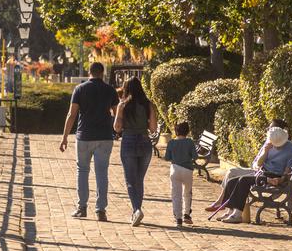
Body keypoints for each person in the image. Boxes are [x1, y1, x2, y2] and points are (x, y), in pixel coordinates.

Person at [60, 62, 118, 221]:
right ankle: (101, 210)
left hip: (84, 135)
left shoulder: (80, 89)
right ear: (102, 73)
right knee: (102, 172)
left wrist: (65, 137)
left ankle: (82, 207)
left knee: (83, 170)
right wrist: (117, 131)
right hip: (104, 136)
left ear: (89, 72)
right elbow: (116, 114)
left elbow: (72, 114)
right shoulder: (110, 90)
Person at [216, 125, 292, 223]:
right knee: (232, 181)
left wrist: (281, 179)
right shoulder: (269, 144)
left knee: (243, 180)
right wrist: (265, 151)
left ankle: (237, 214)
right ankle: (231, 212)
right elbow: (257, 164)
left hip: (275, 175)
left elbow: (287, 171)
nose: (277, 146)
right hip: (262, 172)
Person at [205, 118, 290, 212]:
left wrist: (279, 177)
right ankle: (224, 205)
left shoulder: (284, 147)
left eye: (271, 128)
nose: (268, 130)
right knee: (231, 172)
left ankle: (223, 204)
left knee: (234, 176)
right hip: (257, 170)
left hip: (263, 174)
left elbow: (279, 169)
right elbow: (258, 162)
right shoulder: (269, 142)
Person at [113, 77, 158, 226]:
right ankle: (136, 211)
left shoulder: (123, 105)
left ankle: (136, 210)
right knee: (139, 180)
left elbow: (117, 128)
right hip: (145, 142)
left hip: (129, 141)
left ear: (126, 89)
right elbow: (153, 128)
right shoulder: (148, 104)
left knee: (131, 181)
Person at [165, 121, 197, 227]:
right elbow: (195, 156)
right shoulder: (190, 142)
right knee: (187, 193)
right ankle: (186, 214)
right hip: (187, 170)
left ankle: (178, 218)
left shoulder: (171, 142)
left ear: (176, 131)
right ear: (187, 131)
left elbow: (167, 158)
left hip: (175, 169)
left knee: (176, 195)